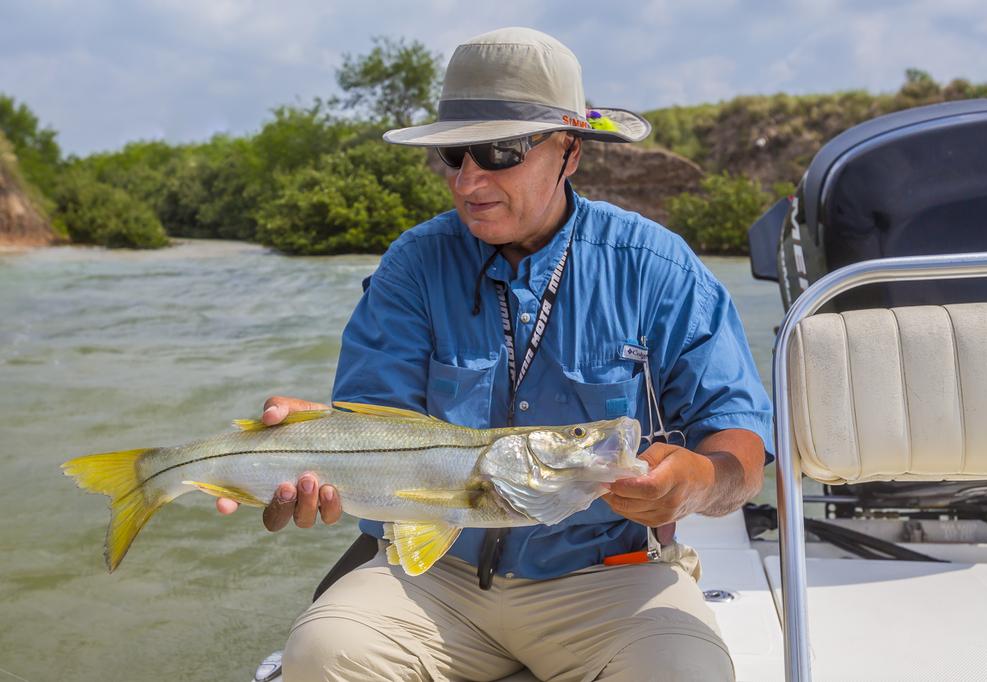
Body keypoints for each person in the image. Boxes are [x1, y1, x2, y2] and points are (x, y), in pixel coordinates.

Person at [220, 27, 771, 681]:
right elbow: (376, 429)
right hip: (433, 576)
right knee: (322, 657)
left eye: (499, 151)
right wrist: (322, 445)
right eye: (453, 155)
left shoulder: (657, 267)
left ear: (569, 152)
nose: (468, 179)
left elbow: (741, 447)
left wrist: (694, 486)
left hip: (609, 579)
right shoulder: (412, 267)